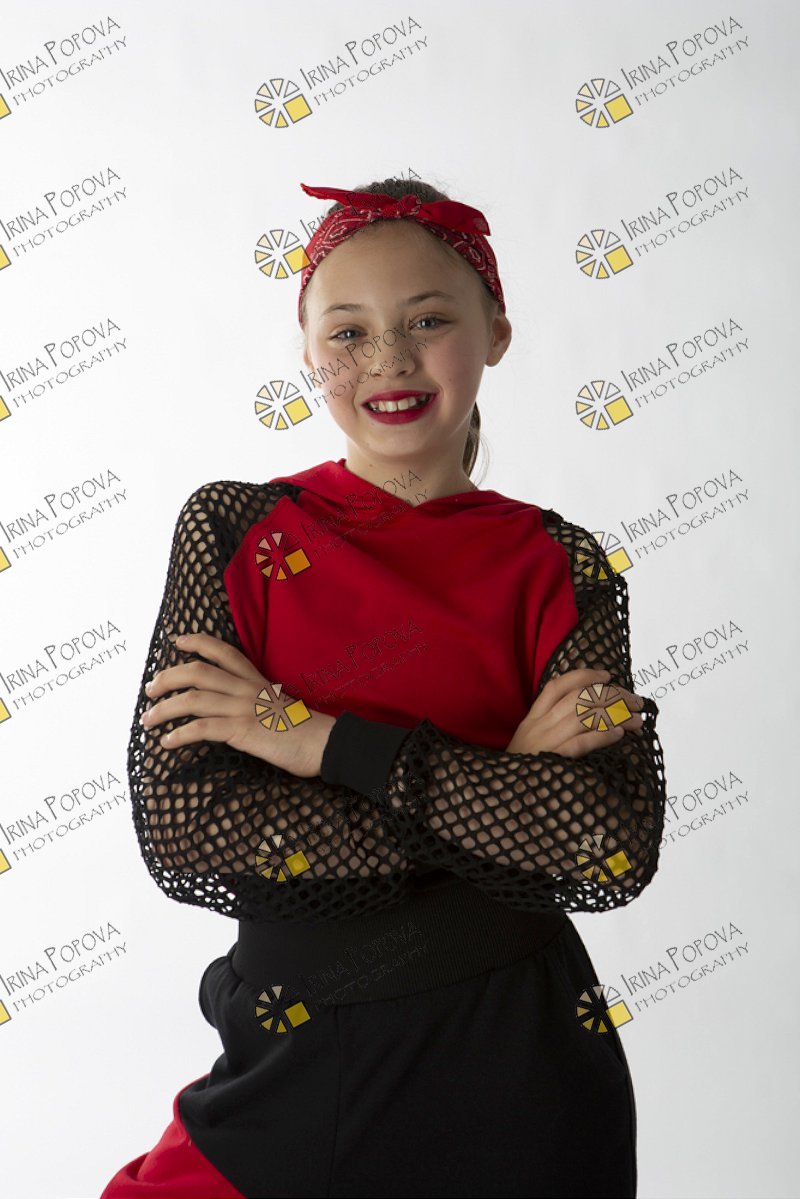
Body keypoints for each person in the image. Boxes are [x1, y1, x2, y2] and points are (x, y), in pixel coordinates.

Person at [99, 177, 667, 1199]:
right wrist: (502, 790)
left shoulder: (561, 562)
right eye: (349, 332)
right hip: (288, 1065)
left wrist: (316, 740)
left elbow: (607, 841)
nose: (389, 359)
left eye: (429, 320)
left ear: (496, 332)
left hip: (519, 1070)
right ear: (308, 352)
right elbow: (188, 828)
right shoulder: (236, 531)